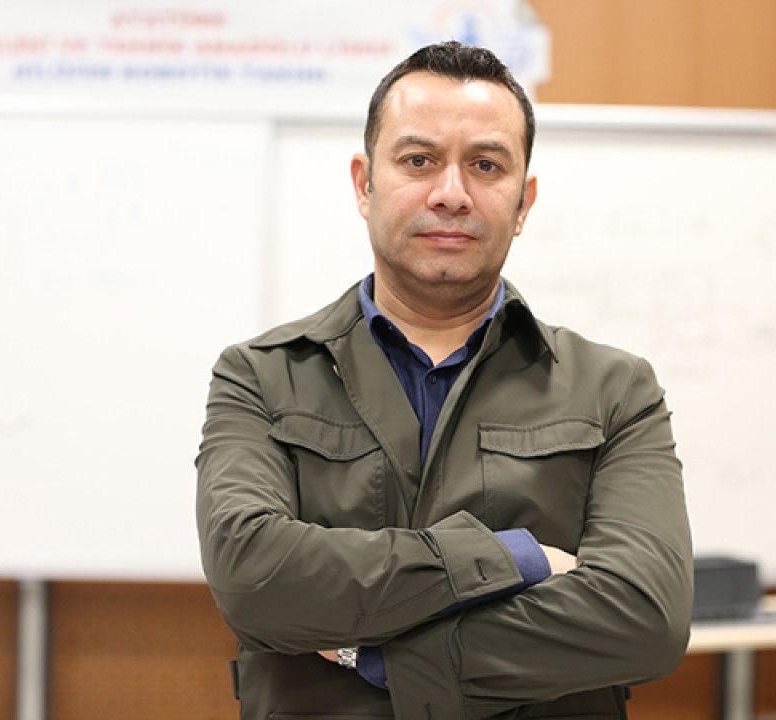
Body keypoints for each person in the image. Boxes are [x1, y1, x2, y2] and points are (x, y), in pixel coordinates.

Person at [196, 41, 693, 719]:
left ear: (524, 200)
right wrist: (512, 558)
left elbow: (645, 618)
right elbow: (254, 580)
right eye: (418, 160)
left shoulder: (615, 391)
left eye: (486, 165)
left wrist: (381, 656)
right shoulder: (261, 376)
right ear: (364, 184)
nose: (451, 193)